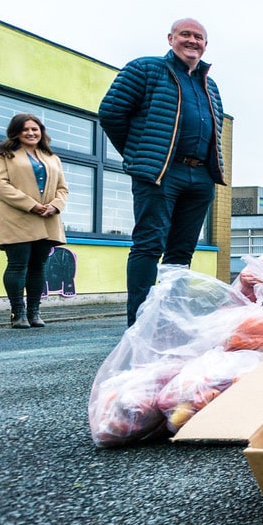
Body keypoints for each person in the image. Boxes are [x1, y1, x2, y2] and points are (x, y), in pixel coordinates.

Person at [99, 18, 226, 327]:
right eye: (186, 34)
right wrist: (141, 154)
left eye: (199, 37)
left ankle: (171, 319)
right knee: (149, 245)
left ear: (205, 45)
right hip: (161, 173)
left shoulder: (210, 85)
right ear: (170, 38)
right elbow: (111, 112)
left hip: (200, 177)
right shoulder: (145, 69)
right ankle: (139, 323)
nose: (192, 41)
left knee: (182, 252)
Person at [0, 113, 68, 329]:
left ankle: (34, 312)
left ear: (41, 131)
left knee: (38, 266)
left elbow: (63, 188)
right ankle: (18, 313)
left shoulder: (52, 157)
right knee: (17, 265)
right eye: (25, 129)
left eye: (35, 129)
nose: (31, 133)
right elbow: (0, 184)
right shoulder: (1, 154)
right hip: (18, 217)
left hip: (47, 218)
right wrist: (31, 204)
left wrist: (55, 205)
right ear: (16, 132)